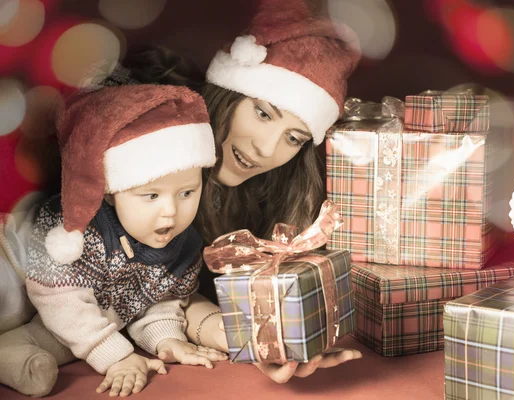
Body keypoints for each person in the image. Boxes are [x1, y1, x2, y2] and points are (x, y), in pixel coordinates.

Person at [119, 0, 364, 383]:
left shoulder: (277, 193)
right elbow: (143, 285)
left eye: (294, 137)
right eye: (263, 113)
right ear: (227, 93)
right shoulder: (149, 154)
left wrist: (254, 341)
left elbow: (180, 292)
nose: (266, 149)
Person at [0, 84, 228, 397]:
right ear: (110, 193)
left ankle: (12, 354)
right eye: (150, 196)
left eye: (187, 193)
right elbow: (59, 299)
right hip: (17, 273)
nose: (171, 212)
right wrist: (117, 356)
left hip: (69, 314)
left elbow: (155, 301)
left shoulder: (184, 246)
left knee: (77, 334)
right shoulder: (80, 229)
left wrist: (167, 339)